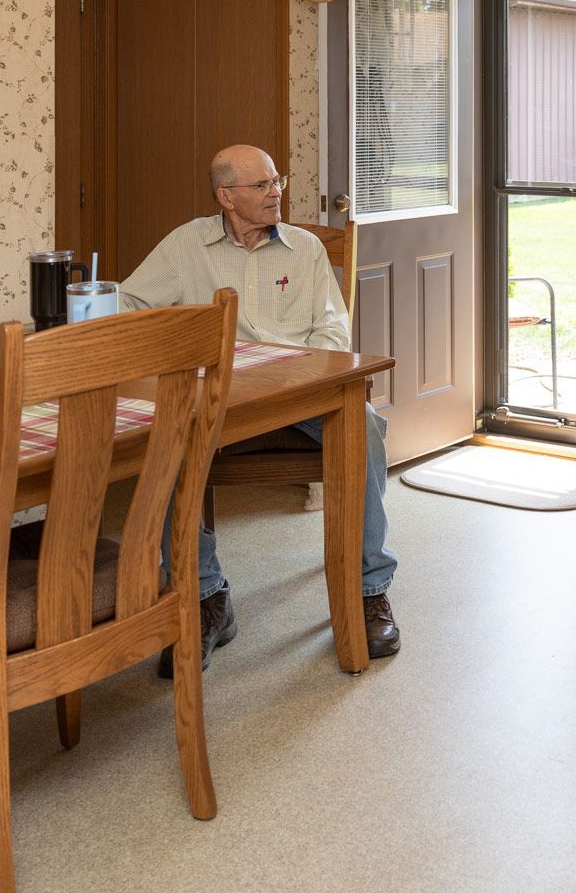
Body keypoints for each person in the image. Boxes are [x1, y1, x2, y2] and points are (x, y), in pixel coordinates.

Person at [121, 144, 400, 672]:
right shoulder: (187, 245)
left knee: (363, 427)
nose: (277, 193)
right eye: (262, 186)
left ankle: (369, 591)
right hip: (215, 396)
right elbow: (131, 306)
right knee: (160, 437)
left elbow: (333, 330)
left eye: (278, 181)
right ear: (226, 197)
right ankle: (206, 596)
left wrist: (297, 373)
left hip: (297, 390)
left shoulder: (305, 248)